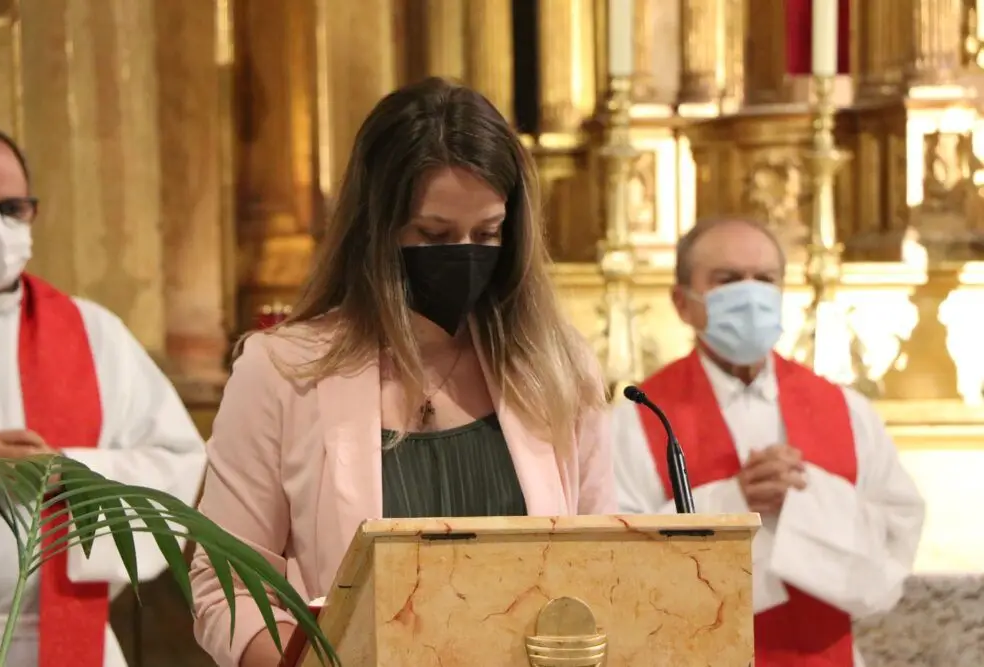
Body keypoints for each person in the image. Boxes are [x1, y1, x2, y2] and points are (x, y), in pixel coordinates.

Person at [190, 77, 617, 667]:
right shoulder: (284, 372)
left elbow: (606, 570)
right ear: (376, 229)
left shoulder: (558, 368)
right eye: (435, 235)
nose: (464, 253)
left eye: (487, 234)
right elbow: (229, 591)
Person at [612, 216, 925, 666]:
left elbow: (894, 544)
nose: (750, 294)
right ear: (682, 303)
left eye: (764, 279)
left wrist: (804, 493)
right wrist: (733, 500)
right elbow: (614, 558)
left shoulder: (847, 409)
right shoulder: (639, 418)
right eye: (727, 279)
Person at [0, 125, 207, 667]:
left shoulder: (91, 332)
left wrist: (67, 473)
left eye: (12, 209)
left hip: (63, 638)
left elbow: (177, 460)